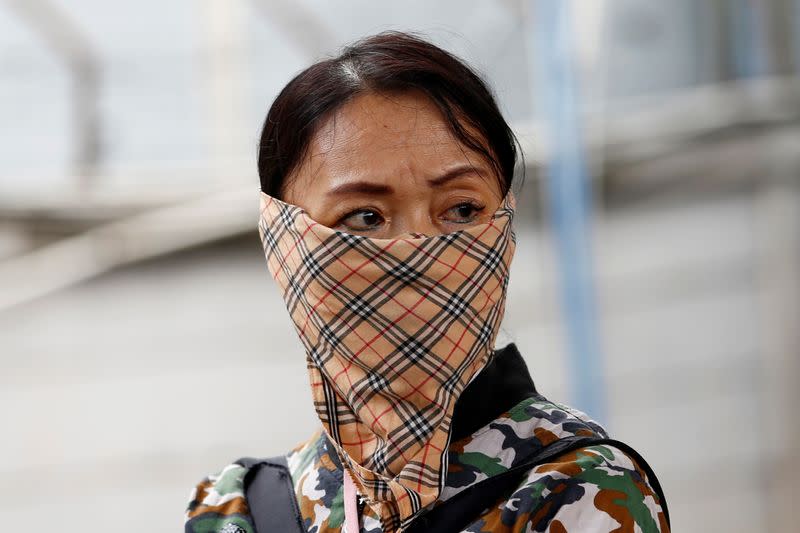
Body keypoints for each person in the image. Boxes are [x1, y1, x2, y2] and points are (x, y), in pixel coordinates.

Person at [184, 31, 670, 533]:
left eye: (461, 210)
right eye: (365, 217)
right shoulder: (235, 510)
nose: (418, 251)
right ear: (285, 247)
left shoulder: (575, 488)